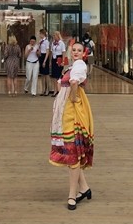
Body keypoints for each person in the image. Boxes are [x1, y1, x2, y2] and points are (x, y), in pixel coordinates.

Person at [49, 42, 94, 210]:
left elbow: (74, 83)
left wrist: (73, 97)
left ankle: (72, 194)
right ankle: (84, 188)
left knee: (72, 149)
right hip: (65, 109)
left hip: (72, 109)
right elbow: (63, 84)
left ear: (84, 53)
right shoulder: (72, 66)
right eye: (74, 50)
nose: (76, 52)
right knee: (71, 149)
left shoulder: (80, 65)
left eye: (79, 50)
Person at [50, 31, 66, 96]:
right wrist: (50, 61)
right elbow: (51, 52)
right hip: (54, 58)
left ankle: (60, 90)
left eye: (55, 36)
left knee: (58, 75)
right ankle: (55, 90)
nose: (54, 37)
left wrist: (63, 61)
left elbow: (63, 53)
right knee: (54, 76)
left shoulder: (61, 43)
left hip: (59, 58)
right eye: (53, 36)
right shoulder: (53, 43)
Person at [38, 28, 51, 95]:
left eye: (40, 33)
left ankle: (48, 89)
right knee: (42, 74)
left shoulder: (46, 41)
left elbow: (47, 51)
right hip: (41, 56)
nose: (39, 35)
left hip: (45, 56)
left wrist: (45, 61)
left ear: (43, 34)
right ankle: (43, 89)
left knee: (46, 74)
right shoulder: (40, 41)